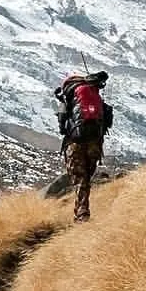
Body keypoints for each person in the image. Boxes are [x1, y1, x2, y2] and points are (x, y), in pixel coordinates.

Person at [54, 70, 113, 222]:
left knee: (80, 180)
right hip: (95, 143)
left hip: (75, 144)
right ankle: (82, 212)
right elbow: (107, 122)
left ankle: (82, 215)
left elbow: (62, 127)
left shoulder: (68, 98)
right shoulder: (95, 95)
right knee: (86, 178)